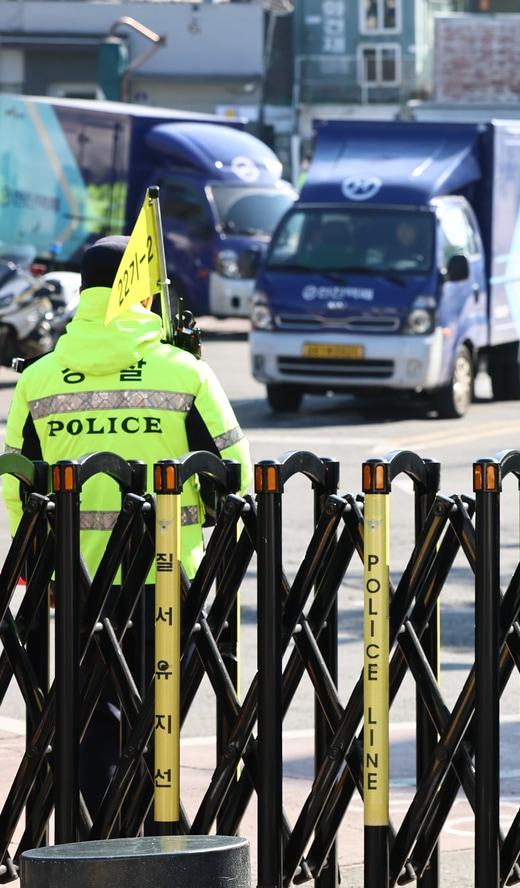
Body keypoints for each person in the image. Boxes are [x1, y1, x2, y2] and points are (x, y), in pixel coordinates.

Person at [2, 236, 254, 813]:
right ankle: (151, 836)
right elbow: (235, 477)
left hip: (73, 586)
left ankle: (99, 843)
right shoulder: (184, 372)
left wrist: (44, 564)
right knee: (157, 721)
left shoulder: (38, 379)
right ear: (144, 290)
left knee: (89, 725)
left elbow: (18, 490)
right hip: (165, 579)